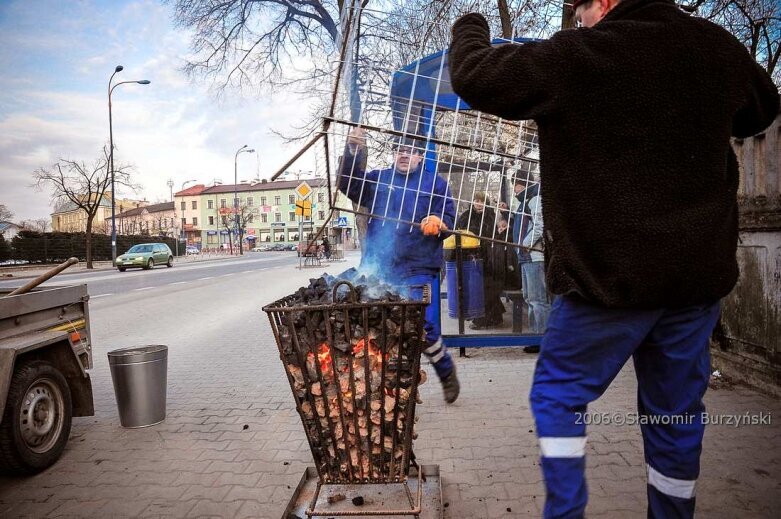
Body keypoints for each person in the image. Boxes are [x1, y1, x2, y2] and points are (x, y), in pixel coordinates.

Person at [449, 0, 779, 517]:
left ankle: (566, 509)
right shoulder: (716, 47)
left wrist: (471, 24)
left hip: (608, 281)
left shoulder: (580, 56)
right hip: (693, 284)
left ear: (601, 2)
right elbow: (762, 105)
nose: (578, 20)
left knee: (558, 395)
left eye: (579, 10)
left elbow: (475, 75)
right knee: (674, 416)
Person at [338, 128, 460, 403]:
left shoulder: (435, 184)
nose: (405, 154)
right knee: (382, 329)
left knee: (422, 327)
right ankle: (398, 392)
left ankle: (446, 371)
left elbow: (449, 218)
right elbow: (349, 186)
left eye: (412, 150)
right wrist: (353, 152)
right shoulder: (380, 178)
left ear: (420, 156)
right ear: (394, 154)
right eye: (400, 150)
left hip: (419, 266)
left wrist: (439, 223)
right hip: (381, 267)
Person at [456, 192, 506, 328]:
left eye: (482, 201)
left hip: (489, 256)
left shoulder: (491, 215)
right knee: (475, 287)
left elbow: (495, 235)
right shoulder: (466, 216)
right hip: (470, 256)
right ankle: (486, 317)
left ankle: (484, 319)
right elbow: (459, 234)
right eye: (477, 200)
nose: (479, 203)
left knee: (487, 287)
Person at [521, 185, 550, 338]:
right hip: (527, 256)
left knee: (537, 300)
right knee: (531, 298)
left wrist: (525, 245)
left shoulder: (535, 198)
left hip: (533, 256)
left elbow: (539, 225)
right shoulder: (528, 200)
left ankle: (541, 338)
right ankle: (536, 336)